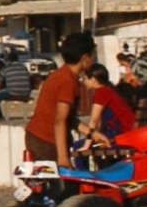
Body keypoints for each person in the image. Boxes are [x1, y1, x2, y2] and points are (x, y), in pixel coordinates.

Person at [22, 33, 110, 165]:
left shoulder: (62, 75)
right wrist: (63, 158)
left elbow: (67, 118)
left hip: (39, 137)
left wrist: (91, 133)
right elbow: (60, 120)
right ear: (85, 58)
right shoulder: (68, 82)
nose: (94, 59)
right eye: (93, 55)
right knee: (59, 184)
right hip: (47, 141)